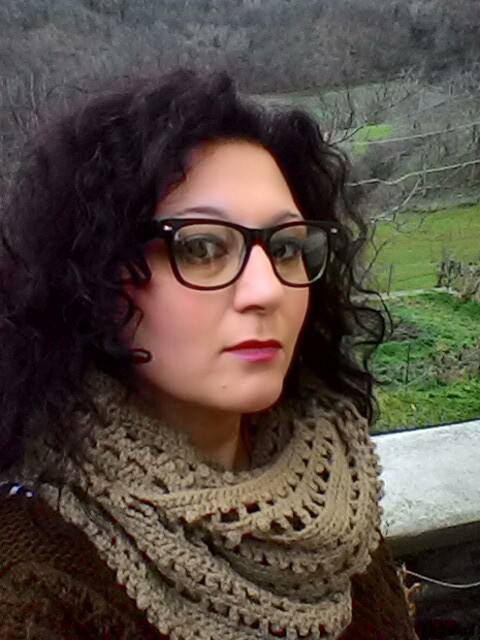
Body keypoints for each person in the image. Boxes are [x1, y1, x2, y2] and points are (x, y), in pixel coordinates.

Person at [0, 71, 417, 639]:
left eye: (286, 247)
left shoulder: (334, 498)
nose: (267, 289)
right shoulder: (34, 582)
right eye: (201, 247)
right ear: (94, 277)